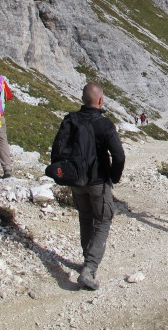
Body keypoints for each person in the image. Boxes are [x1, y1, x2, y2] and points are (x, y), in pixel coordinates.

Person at [68, 83, 125, 291]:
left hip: (75, 181)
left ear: (83, 99)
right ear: (101, 100)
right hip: (98, 181)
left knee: (85, 217)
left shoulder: (70, 120)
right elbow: (119, 156)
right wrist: (113, 177)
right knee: (103, 220)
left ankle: (87, 260)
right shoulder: (105, 124)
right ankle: (90, 269)